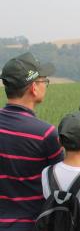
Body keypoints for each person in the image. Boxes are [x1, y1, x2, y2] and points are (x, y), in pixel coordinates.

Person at [0, 52, 64, 230]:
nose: (45, 85)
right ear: (33, 87)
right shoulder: (45, 133)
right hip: (31, 224)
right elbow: (61, 183)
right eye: (44, 81)